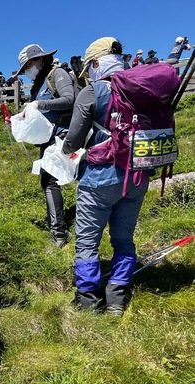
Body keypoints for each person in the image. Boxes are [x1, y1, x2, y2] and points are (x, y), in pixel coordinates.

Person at [62, 36, 149, 315]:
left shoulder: (92, 92)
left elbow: (74, 140)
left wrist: (64, 147)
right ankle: (118, 297)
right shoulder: (140, 86)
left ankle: (88, 300)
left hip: (100, 178)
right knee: (123, 238)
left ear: (97, 62)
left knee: (88, 239)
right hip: (136, 176)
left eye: (90, 67)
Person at [13, 44, 77, 247]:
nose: (26, 73)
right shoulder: (37, 85)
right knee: (48, 180)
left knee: (54, 180)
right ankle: (59, 231)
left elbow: (69, 99)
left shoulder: (57, 74)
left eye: (27, 67)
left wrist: (39, 104)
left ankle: (60, 232)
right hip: (48, 139)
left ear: (39, 60)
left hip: (67, 135)